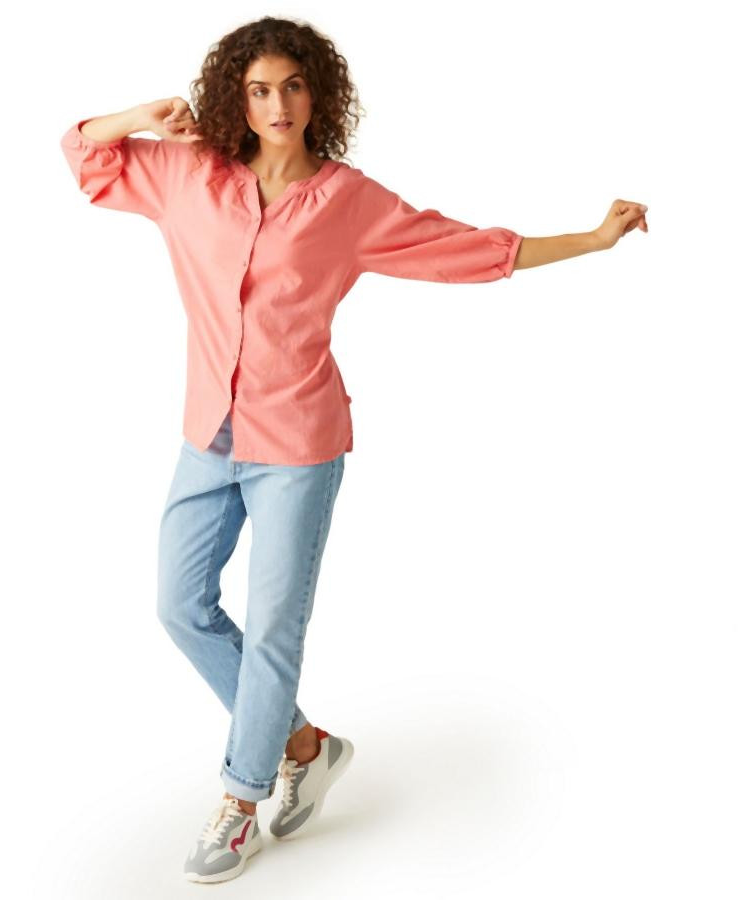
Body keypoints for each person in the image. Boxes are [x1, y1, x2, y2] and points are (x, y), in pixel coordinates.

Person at [59, 15, 648, 885]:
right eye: (260, 90)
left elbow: (465, 250)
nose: (278, 105)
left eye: (293, 86)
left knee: (273, 632)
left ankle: (240, 801)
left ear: (318, 96)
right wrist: (139, 117)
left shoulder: (346, 201)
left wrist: (592, 239)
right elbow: (85, 157)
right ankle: (305, 744)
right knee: (179, 607)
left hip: (299, 444)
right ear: (235, 98)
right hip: (207, 436)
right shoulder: (190, 176)